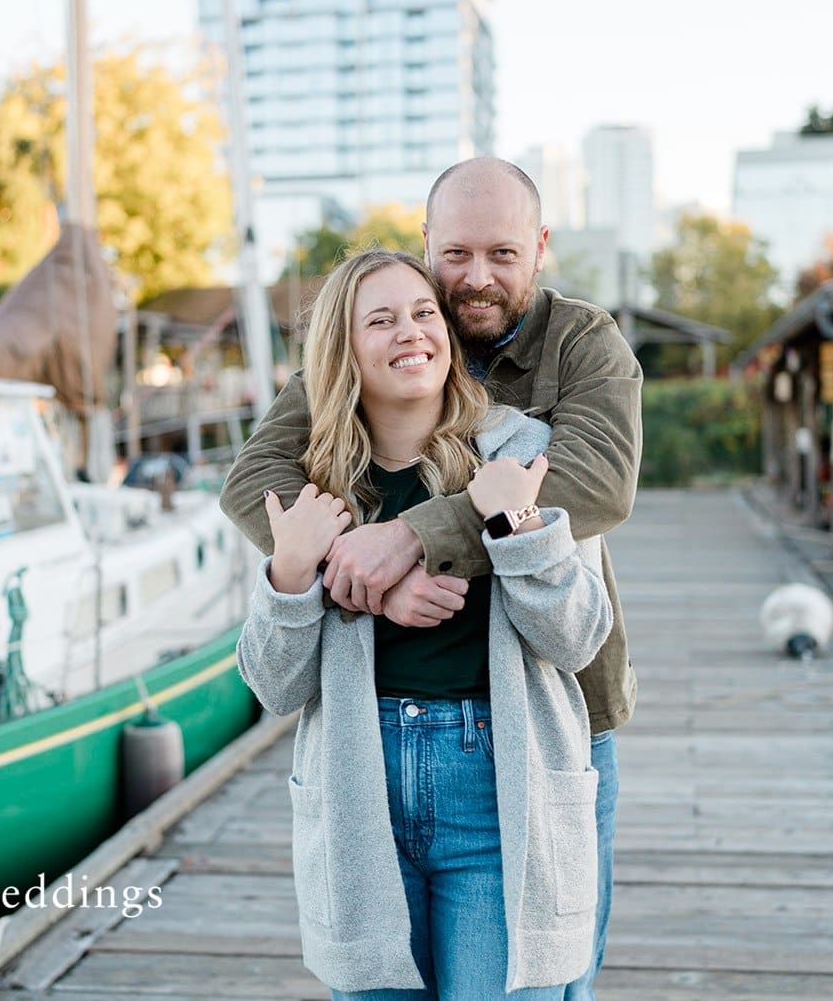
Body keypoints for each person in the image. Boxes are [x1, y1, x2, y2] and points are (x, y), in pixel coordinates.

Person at [222, 157, 641, 996]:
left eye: (502, 254)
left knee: (555, 969)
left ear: (539, 247)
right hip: (372, 747)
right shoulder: (389, 325)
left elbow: (592, 483)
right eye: (455, 254)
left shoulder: (580, 345)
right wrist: (360, 574)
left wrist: (417, 536)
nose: (475, 278)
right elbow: (257, 480)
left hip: (554, 712)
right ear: (427, 245)